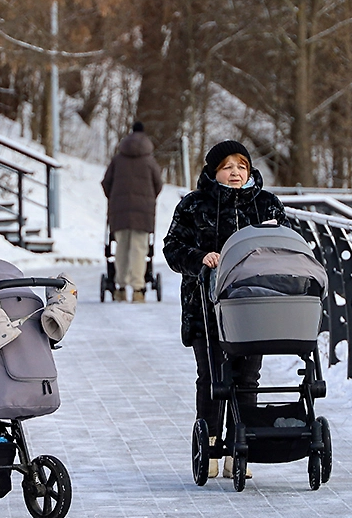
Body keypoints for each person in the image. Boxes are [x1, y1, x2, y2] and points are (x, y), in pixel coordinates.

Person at [163, 140, 287, 479]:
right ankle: (211, 442)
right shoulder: (193, 205)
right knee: (212, 376)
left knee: (248, 377)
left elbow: (288, 245)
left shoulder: (267, 205)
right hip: (204, 305)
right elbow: (172, 248)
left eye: (241, 166)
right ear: (214, 171)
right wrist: (199, 259)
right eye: (227, 167)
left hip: (254, 306)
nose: (235, 172)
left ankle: (240, 444)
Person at [102, 121, 163, 303]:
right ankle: (138, 289)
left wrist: (115, 199)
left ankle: (120, 287)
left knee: (121, 249)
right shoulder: (149, 161)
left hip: (119, 213)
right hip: (142, 213)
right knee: (139, 249)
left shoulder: (117, 160)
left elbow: (106, 183)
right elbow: (158, 184)